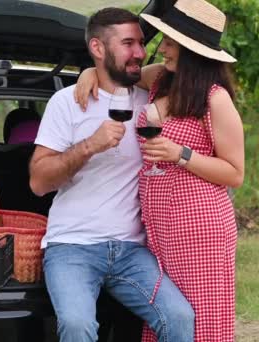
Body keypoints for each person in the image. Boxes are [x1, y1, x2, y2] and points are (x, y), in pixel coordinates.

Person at [74, 0, 245, 341]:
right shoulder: (161, 80)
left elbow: (235, 173)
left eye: (169, 42)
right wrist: (90, 71)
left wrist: (180, 154)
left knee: (200, 320)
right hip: (159, 229)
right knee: (165, 319)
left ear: (190, 50)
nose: (161, 47)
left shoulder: (215, 99)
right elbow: (120, 73)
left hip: (201, 230)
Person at [29, 7, 194, 342]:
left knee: (179, 318)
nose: (139, 52)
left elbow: (191, 71)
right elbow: (38, 181)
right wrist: (90, 145)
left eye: (141, 43)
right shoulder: (67, 103)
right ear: (98, 48)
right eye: (128, 43)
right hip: (71, 246)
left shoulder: (152, 100)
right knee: (78, 326)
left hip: (131, 250)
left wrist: (93, 71)